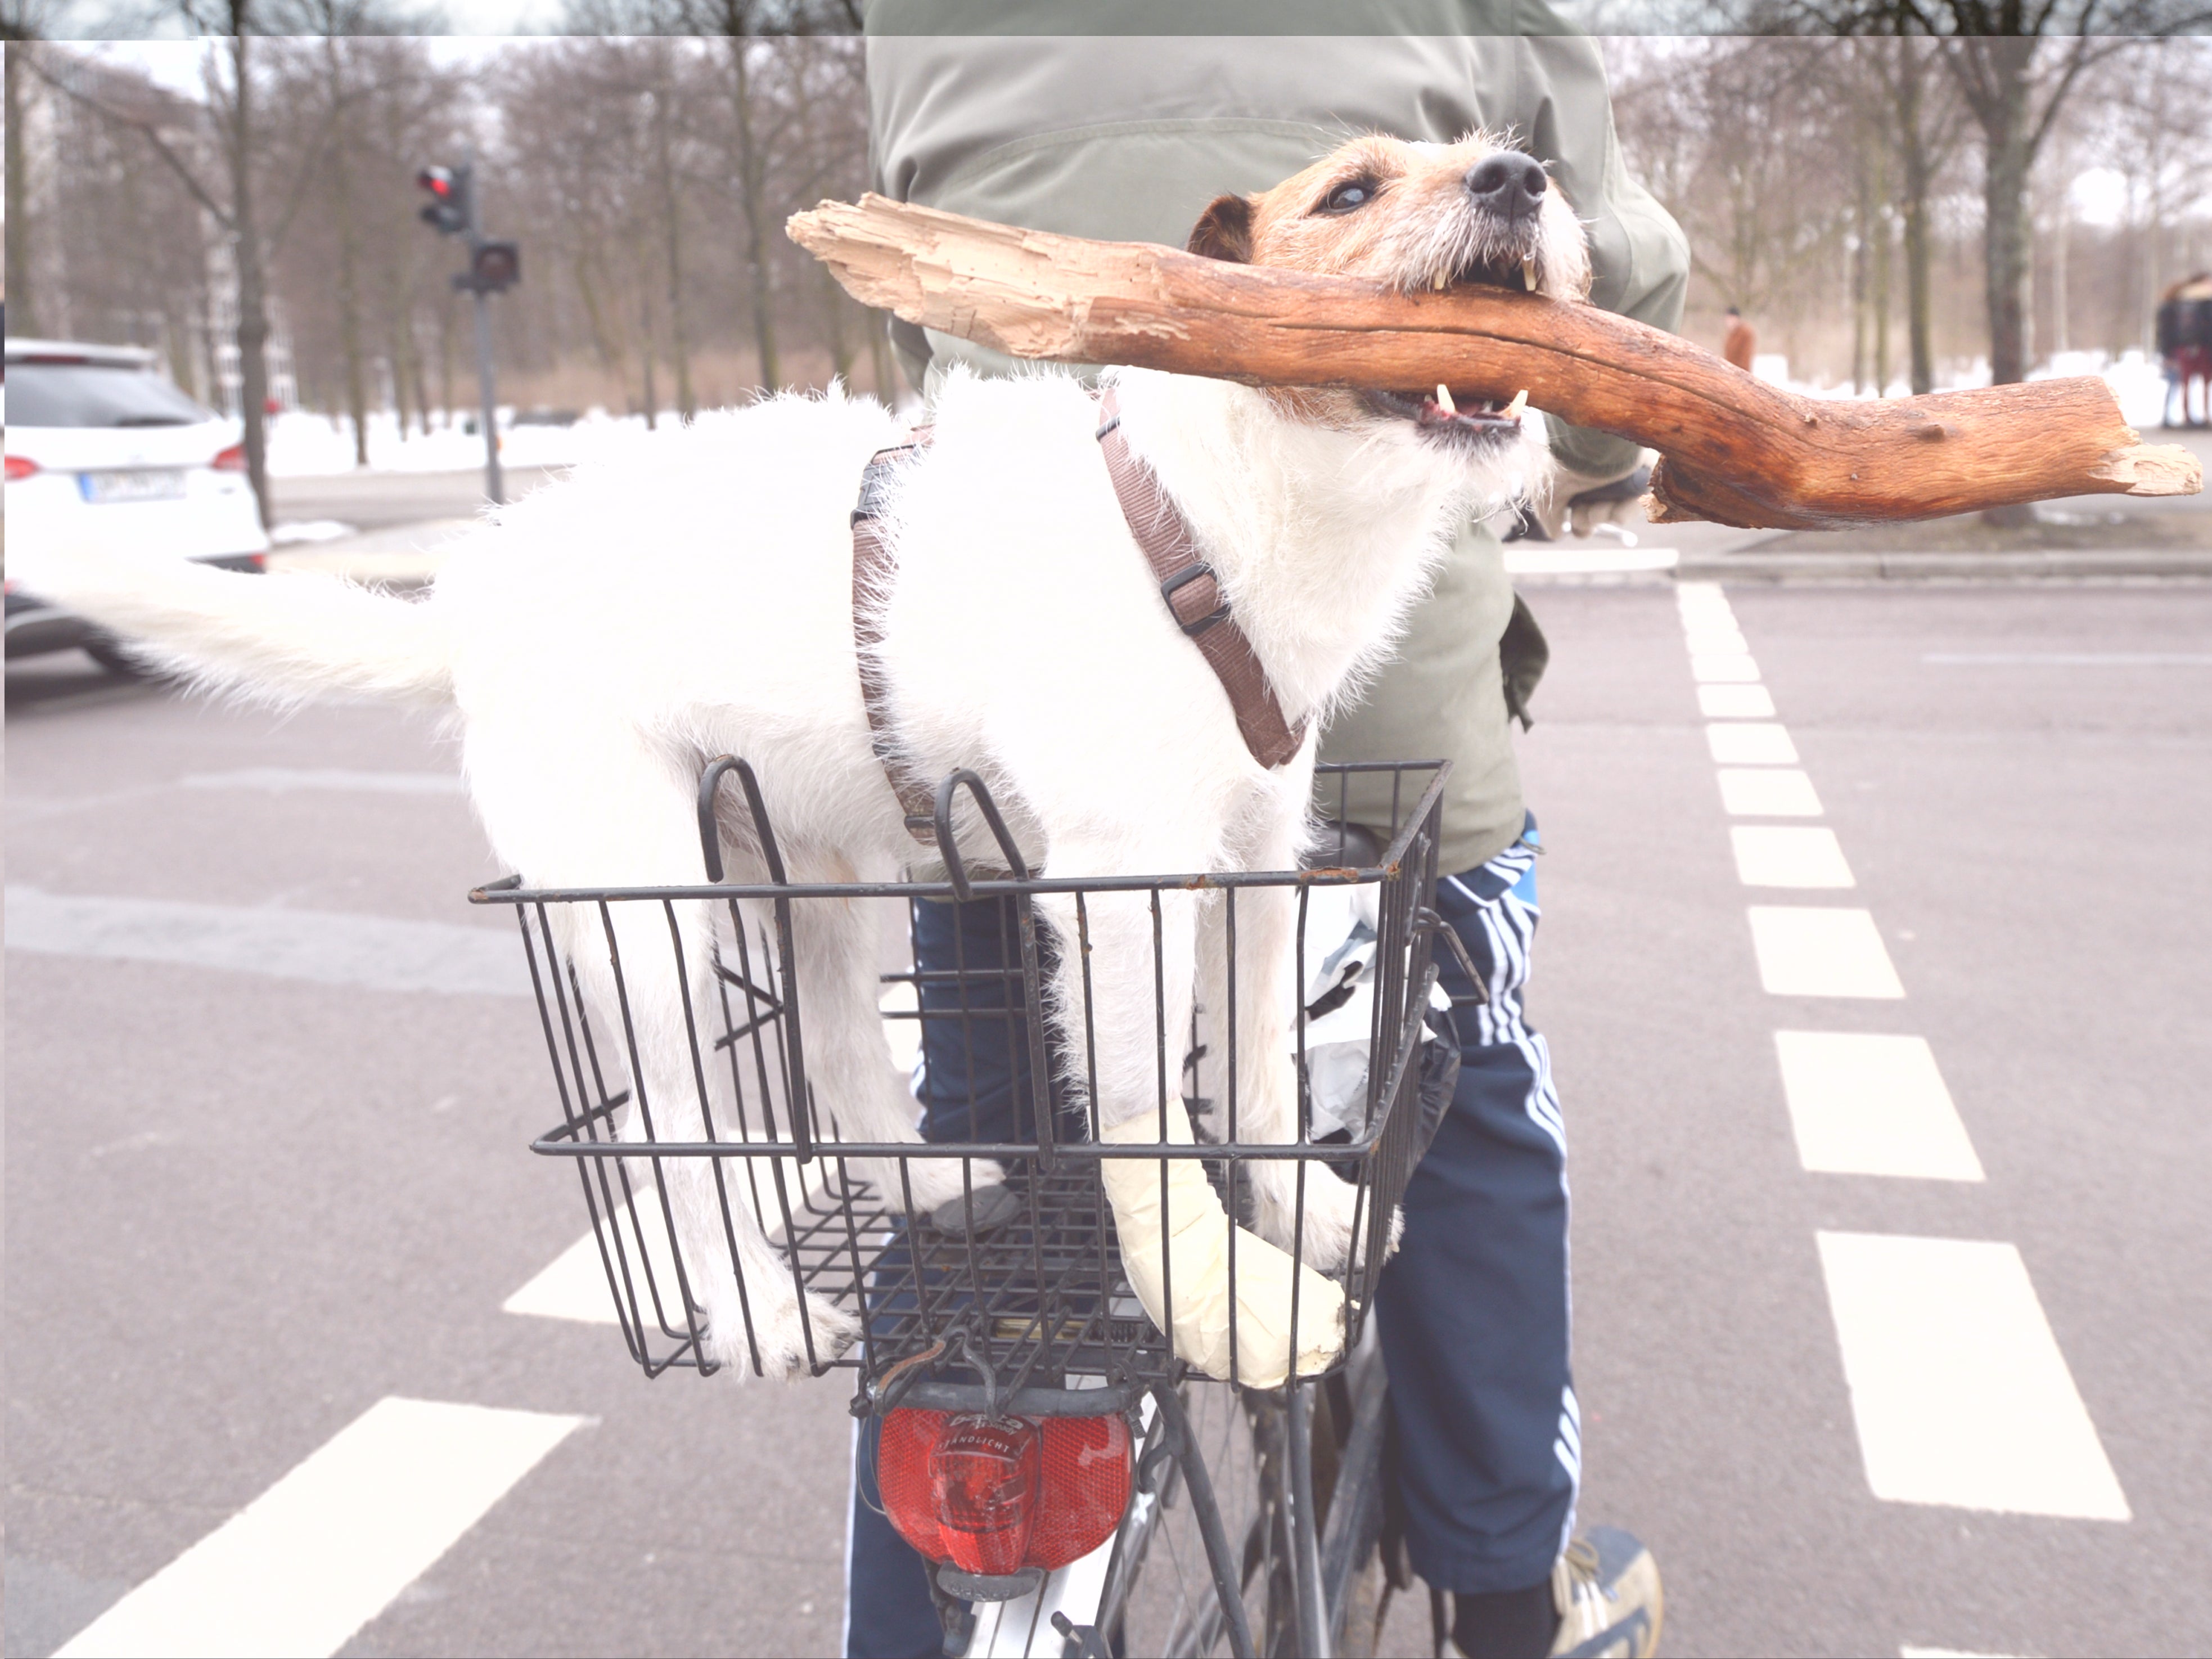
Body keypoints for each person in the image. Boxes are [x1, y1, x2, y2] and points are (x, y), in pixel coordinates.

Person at [846, 9, 1688, 1657]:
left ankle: (925, 1626)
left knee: (997, 1198)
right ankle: (1515, 1600)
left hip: (1016, 676)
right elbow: (1605, 285)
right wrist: (1598, 448)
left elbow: (922, 287)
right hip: (1362, 667)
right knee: (1462, 1098)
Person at [1722, 305, 1756, 374]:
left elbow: (1745, 358)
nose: (1729, 322)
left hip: (1740, 374)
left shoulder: (1745, 333)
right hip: (1729, 372)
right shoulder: (1730, 334)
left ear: (1737, 318)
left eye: (1731, 319)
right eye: (1728, 319)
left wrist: (1741, 374)